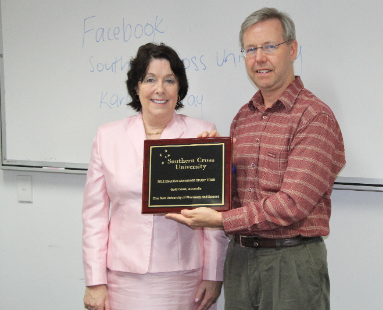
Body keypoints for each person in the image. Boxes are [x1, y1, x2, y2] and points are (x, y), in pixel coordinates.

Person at [166, 7, 345, 310]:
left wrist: (221, 220)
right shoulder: (243, 117)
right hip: (241, 258)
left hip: (290, 264)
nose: (259, 58)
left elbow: (292, 205)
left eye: (269, 47)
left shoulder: (314, 117)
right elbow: (233, 193)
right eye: (250, 49)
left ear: (292, 49)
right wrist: (210, 162)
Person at [82, 43, 229, 310]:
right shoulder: (107, 136)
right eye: (150, 79)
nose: (159, 89)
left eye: (169, 80)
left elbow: (213, 213)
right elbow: (94, 215)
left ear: (179, 88)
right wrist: (94, 281)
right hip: (122, 277)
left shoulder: (202, 134)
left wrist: (213, 273)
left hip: (185, 277)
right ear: (136, 87)